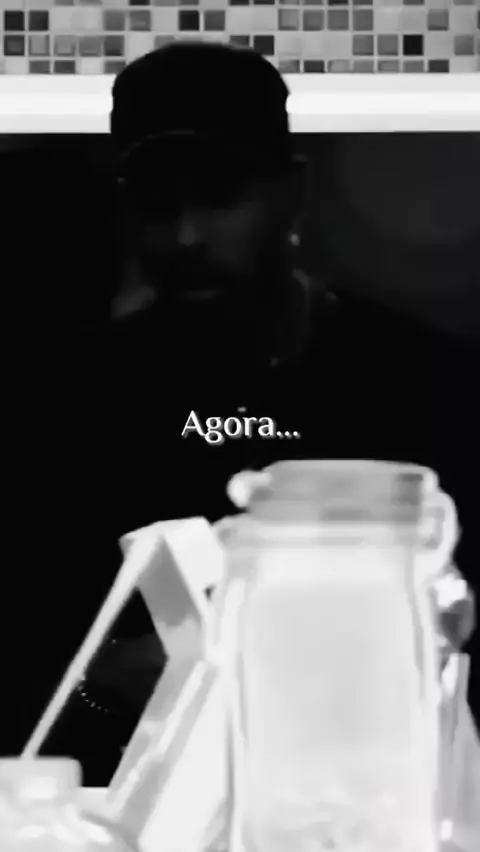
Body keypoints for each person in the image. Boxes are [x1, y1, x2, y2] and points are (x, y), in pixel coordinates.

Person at [6, 41, 478, 784]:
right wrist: (107, 686)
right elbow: (31, 669)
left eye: (219, 196)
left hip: (372, 795)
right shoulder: (60, 403)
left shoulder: (423, 383)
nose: (187, 237)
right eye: (157, 205)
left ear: (292, 192)